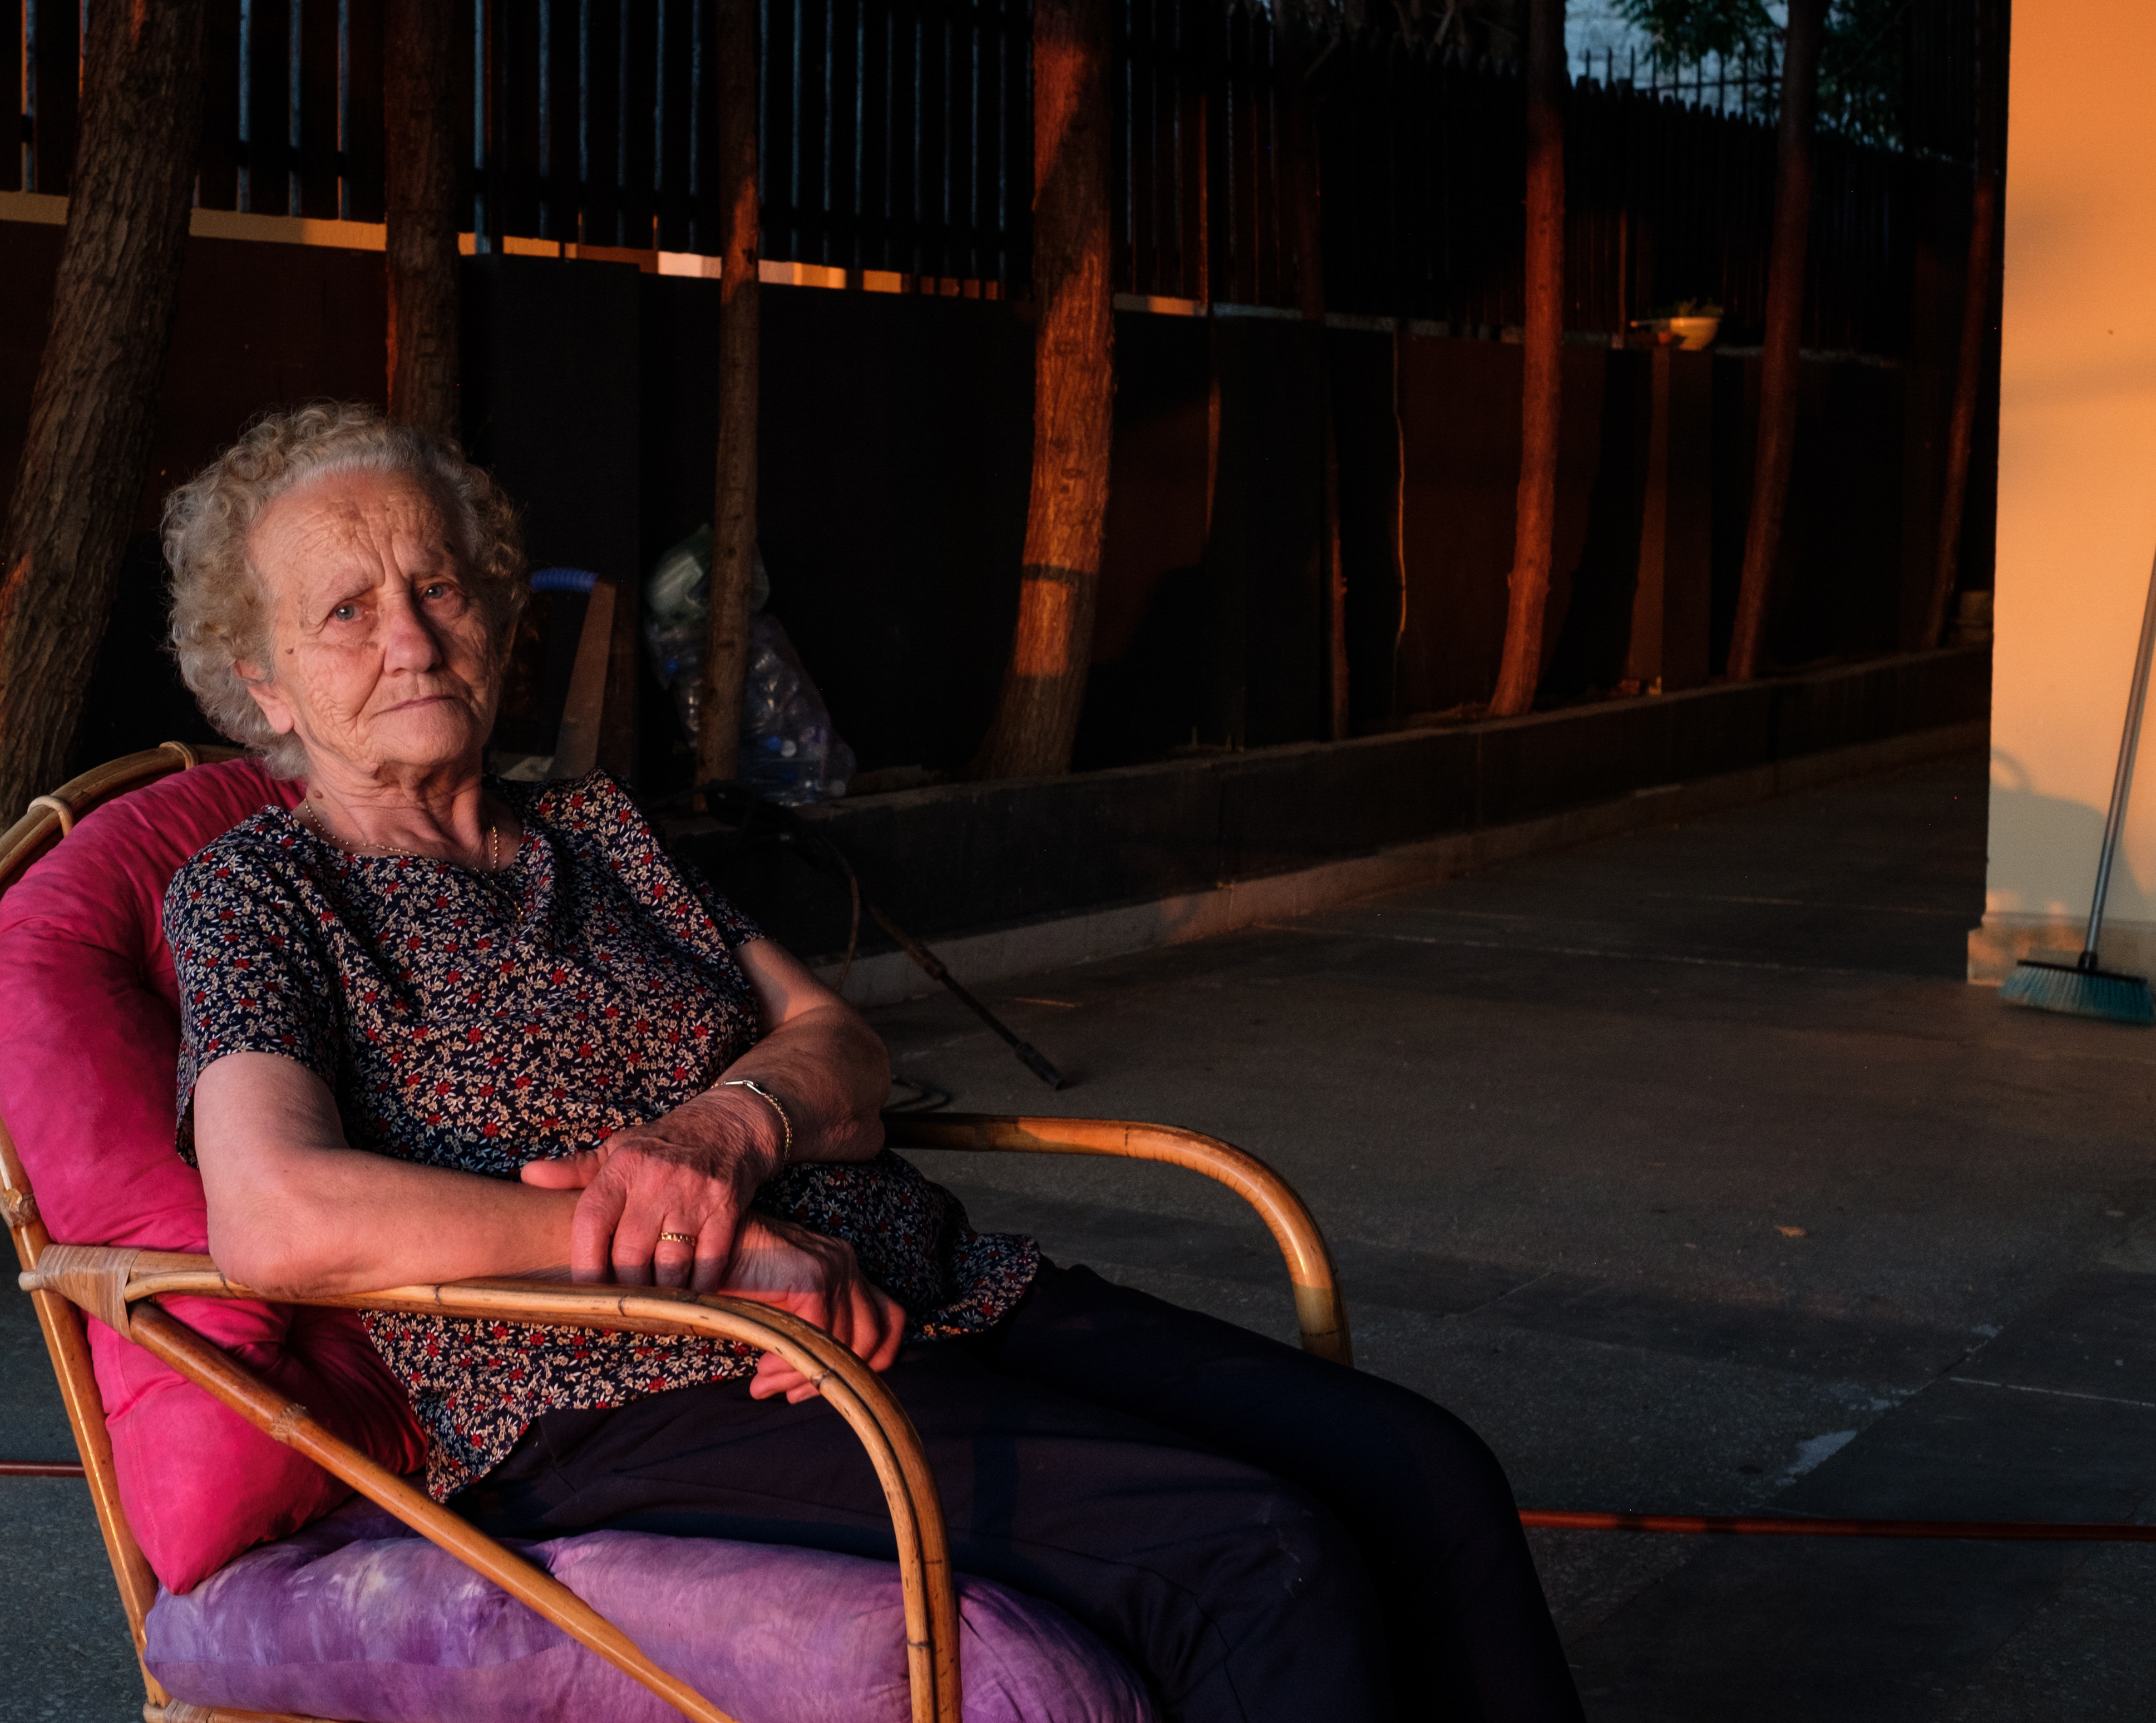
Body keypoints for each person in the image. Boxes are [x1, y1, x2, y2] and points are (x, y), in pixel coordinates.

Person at [161, 402, 1583, 1723]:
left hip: (932, 1287)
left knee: (1425, 1470)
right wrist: (715, 1254)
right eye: (345, 612)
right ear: (263, 683)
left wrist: (730, 1128)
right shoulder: (262, 893)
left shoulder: (594, 828)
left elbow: (841, 1043)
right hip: (639, 1385)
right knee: (1256, 1555)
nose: (411, 636)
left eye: (442, 587)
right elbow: (277, 1213)